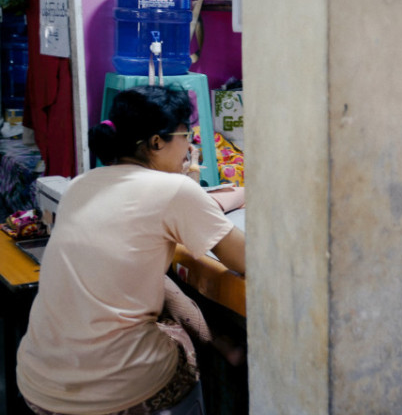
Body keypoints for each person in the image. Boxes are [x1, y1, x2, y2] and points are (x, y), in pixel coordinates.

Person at [17, 85, 246, 415]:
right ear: (156, 142)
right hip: (115, 392)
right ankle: (221, 353)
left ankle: (222, 345)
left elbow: (179, 205)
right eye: (187, 135)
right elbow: (245, 259)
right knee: (177, 337)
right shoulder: (175, 190)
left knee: (158, 282)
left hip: (39, 383)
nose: (190, 145)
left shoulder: (84, 183)